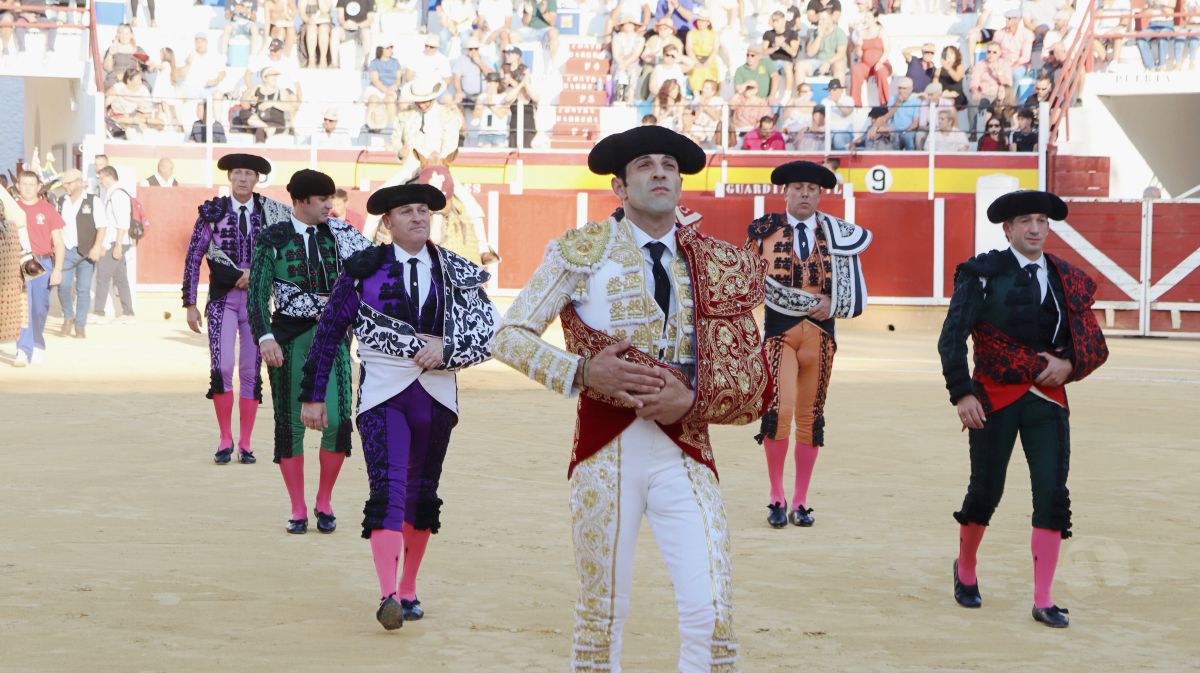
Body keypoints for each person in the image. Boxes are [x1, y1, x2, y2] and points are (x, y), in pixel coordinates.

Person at [493, 126, 769, 672]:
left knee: (712, 609)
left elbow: (741, 368)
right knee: (600, 614)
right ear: (619, 186)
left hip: (685, 448)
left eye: (669, 164)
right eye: (645, 165)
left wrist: (691, 401)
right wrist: (581, 371)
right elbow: (509, 335)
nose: (661, 172)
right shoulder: (583, 250)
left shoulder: (714, 260)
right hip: (606, 452)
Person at [299, 183, 498, 630]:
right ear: (387, 223)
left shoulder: (456, 271)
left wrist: (448, 347)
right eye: (406, 211)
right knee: (389, 488)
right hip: (383, 394)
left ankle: (408, 588)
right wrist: (313, 395)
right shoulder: (362, 269)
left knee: (422, 492)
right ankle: (387, 592)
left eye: (423, 210)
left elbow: (492, 335)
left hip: (438, 395)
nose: (418, 217)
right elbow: (330, 332)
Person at [938, 190, 1108, 628]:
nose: (1035, 228)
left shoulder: (1066, 277)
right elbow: (952, 337)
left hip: (1048, 400)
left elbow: (1091, 343)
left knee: (1052, 493)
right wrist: (963, 393)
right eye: (1025, 221)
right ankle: (966, 568)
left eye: (1041, 221)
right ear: (1008, 229)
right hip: (992, 397)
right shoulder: (981, 274)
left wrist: (1069, 364)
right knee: (986, 491)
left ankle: (1044, 598)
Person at [744, 160, 870, 528]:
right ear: (785, 192)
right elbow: (746, 281)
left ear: (820, 194)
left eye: (811, 189)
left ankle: (800, 500)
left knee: (811, 417)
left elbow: (852, 289)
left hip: (822, 335)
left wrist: (834, 302)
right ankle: (776, 496)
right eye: (797, 187)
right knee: (779, 410)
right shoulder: (763, 231)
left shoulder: (838, 234)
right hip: (779, 334)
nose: (804, 193)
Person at [248, 169, 372, 533]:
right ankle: (298, 507)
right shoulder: (272, 239)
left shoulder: (343, 234)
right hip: (288, 340)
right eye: (322, 200)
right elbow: (257, 294)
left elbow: (376, 268)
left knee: (336, 422)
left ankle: (324, 499)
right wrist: (264, 337)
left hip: (333, 338)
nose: (329, 206)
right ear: (301, 201)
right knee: (290, 425)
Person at [182, 153, 292, 465]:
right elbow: (194, 256)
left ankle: (245, 442)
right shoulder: (212, 212)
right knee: (221, 367)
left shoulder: (271, 211)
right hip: (222, 301)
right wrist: (190, 303)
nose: (243, 179)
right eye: (238, 173)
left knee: (249, 371)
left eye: (249, 174)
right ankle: (224, 438)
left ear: (257, 180)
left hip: (257, 303)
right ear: (230, 177)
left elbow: (287, 250)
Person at [12, 171, 64, 367]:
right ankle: (23, 350)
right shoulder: (12, 210)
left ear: (38, 186)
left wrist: (58, 269)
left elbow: (58, 242)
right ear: (17, 185)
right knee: (23, 307)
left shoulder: (48, 209)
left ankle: (37, 343)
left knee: (39, 308)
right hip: (20, 264)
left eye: (31, 184)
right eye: (23, 184)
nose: (27, 188)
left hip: (43, 263)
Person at [55, 170, 104, 340]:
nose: (65, 187)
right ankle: (68, 316)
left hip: (86, 251)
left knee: (83, 290)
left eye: (68, 183)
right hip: (66, 250)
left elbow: (102, 226)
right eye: (64, 184)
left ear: (79, 182)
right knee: (63, 286)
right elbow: (57, 226)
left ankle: (80, 325)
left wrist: (97, 247)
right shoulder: (61, 201)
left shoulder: (93, 201)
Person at [93, 166, 136, 324]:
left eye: (101, 177)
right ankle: (128, 313)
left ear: (109, 177)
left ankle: (99, 312)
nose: (100, 181)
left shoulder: (117, 195)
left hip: (117, 242)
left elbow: (122, 222)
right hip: (116, 241)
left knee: (103, 276)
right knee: (120, 278)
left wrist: (118, 245)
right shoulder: (114, 194)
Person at [849, 10, 891, 107]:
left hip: (881, 62)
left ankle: (884, 103)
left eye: (868, 17)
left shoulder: (881, 31)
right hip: (866, 65)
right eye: (865, 17)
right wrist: (858, 46)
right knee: (856, 69)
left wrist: (880, 62)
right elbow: (859, 54)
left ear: (875, 19)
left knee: (881, 71)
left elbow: (887, 50)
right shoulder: (862, 33)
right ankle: (856, 103)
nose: (865, 20)